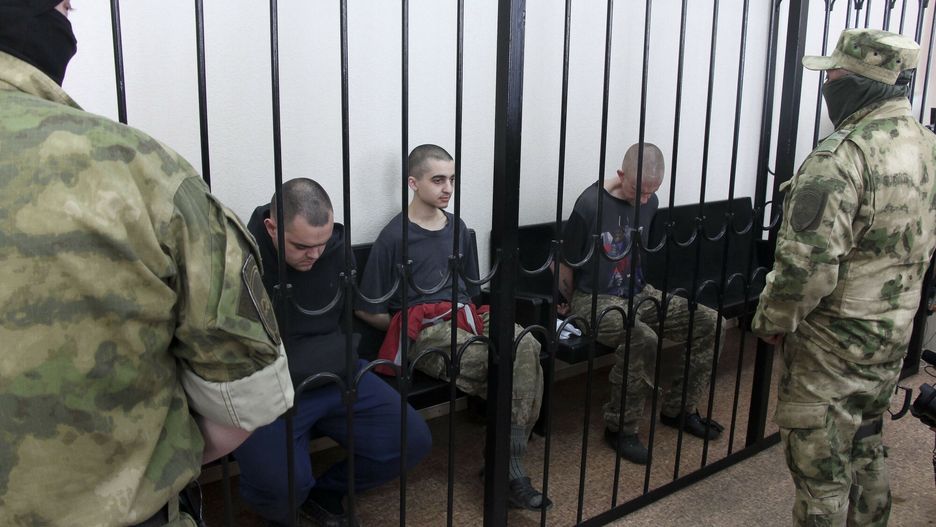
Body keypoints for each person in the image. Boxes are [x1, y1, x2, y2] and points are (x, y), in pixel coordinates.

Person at [0, 2, 295, 526]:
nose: (71, 15)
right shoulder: (138, 173)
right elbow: (243, 403)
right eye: (65, 5)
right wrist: (146, 466)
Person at [751, 28, 936, 526]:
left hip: (829, 354)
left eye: (832, 73)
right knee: (867, 445)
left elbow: (804, 271)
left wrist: (771, 321)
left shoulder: (840, 159)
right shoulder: (928, 147)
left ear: (860, 82)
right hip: (890, 339)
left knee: (822, 474)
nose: (826, 81)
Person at [355, 144, 549, 511]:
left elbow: (472, 291)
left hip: (466, 314)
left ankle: (505, 460)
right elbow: (367, 308)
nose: (448, 187)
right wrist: (407, 324)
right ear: (413, 183)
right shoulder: (394, 236)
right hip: (426, 328)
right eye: (438, 179)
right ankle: (507, 469)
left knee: (526, 343)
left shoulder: (457, 226)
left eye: (452, 179)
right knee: (505, 366)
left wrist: (467, 318)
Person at [235, 178, 432, 526]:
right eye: (302, 246)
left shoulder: (333, 248)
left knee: (411, 439)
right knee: (281, 486)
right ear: (270, 227)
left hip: (333, 374)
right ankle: (281, 510)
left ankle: (325, 494)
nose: (315, 255)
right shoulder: (239, 258)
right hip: (268, 387)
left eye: (321, 244)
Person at [559, 143, 724, 465]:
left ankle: (679, 408)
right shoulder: (590, 204)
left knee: (710, 322)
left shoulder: (651, 202)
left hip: (639, 291)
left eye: (652, 192)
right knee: (641, 338)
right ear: (622, 176)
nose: (645, 199)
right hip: (593, 298)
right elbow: (564, 260)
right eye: (638, 190)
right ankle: (621, 427)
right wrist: (564, 304)